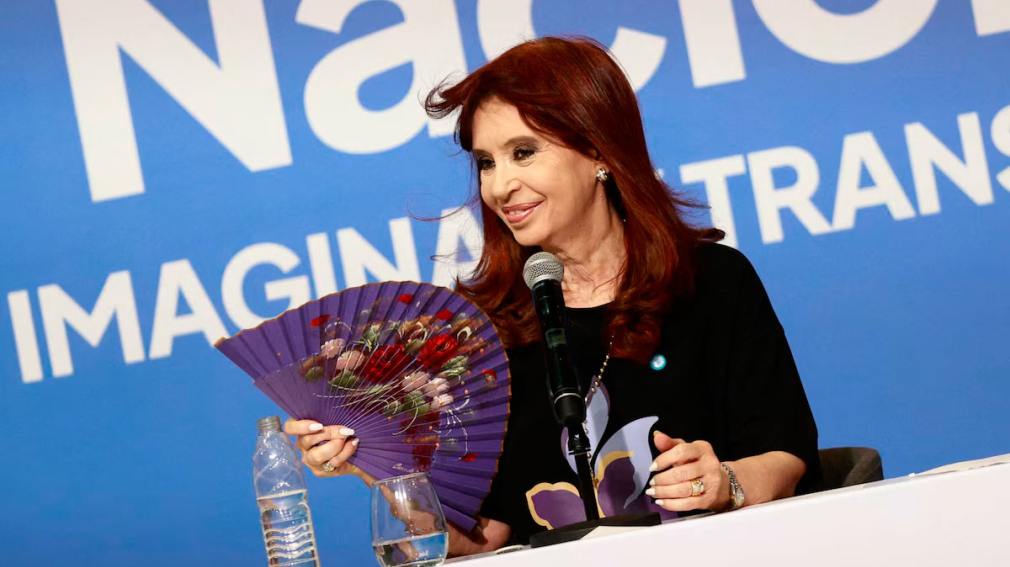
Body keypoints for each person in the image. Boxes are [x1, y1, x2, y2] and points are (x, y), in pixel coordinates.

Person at [285, 36, 821, 554]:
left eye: (523, 153)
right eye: (487, 162)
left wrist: (725, 481)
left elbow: (786, 456)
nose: (499, 187)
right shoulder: (485, 331)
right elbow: (483, 537)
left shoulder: (711, 280)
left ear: (597, 150)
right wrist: (379, 468)